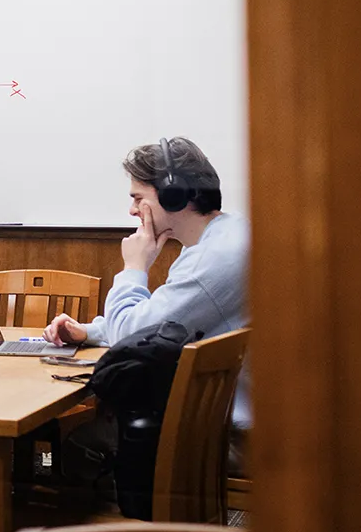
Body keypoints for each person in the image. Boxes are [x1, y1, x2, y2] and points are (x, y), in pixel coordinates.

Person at [42, 137, 251, 465]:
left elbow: (132, 339)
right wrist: (90, 332)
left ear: (173, 195)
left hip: (237, 439)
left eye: (138, 198)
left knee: (83, 445)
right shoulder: (226, 237)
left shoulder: (214, 260)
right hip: (241, 421)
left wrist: (134, 267)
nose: (132, 210)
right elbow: (163, 327)